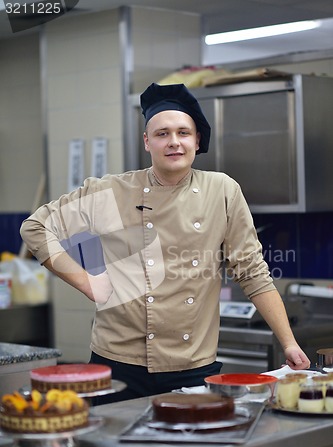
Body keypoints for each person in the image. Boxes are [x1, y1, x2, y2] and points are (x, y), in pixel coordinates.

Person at [20, 82, 310, 404]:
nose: (174, 142)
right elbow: (36, 228)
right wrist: (86, 282)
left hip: (193, 365)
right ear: (147, 141)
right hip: (118, 365)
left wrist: (289, 343)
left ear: (197, 140)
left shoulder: (222, 191)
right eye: (162, 134)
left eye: (183, 133)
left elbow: (253, 272)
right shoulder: (112, 191)